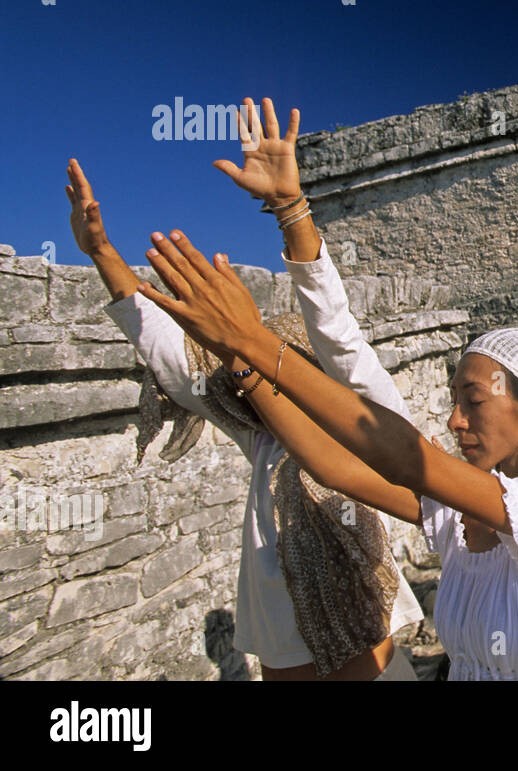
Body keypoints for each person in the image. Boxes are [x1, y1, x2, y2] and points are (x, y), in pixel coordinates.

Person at [131, 98, 518, 681]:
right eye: (455, 401)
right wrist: (244, 351)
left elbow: (396, 450)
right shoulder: (464, 509)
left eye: (474, 401)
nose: (456, 421)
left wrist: (257, 343)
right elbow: (338, 462)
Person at [66, 151, 424, 680]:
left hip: (366, 630)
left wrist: (291, 210)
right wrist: (100, 251)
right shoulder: (255, 429)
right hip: (281, 624)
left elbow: (336, 330)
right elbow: (166, 348)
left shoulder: (363, 416)